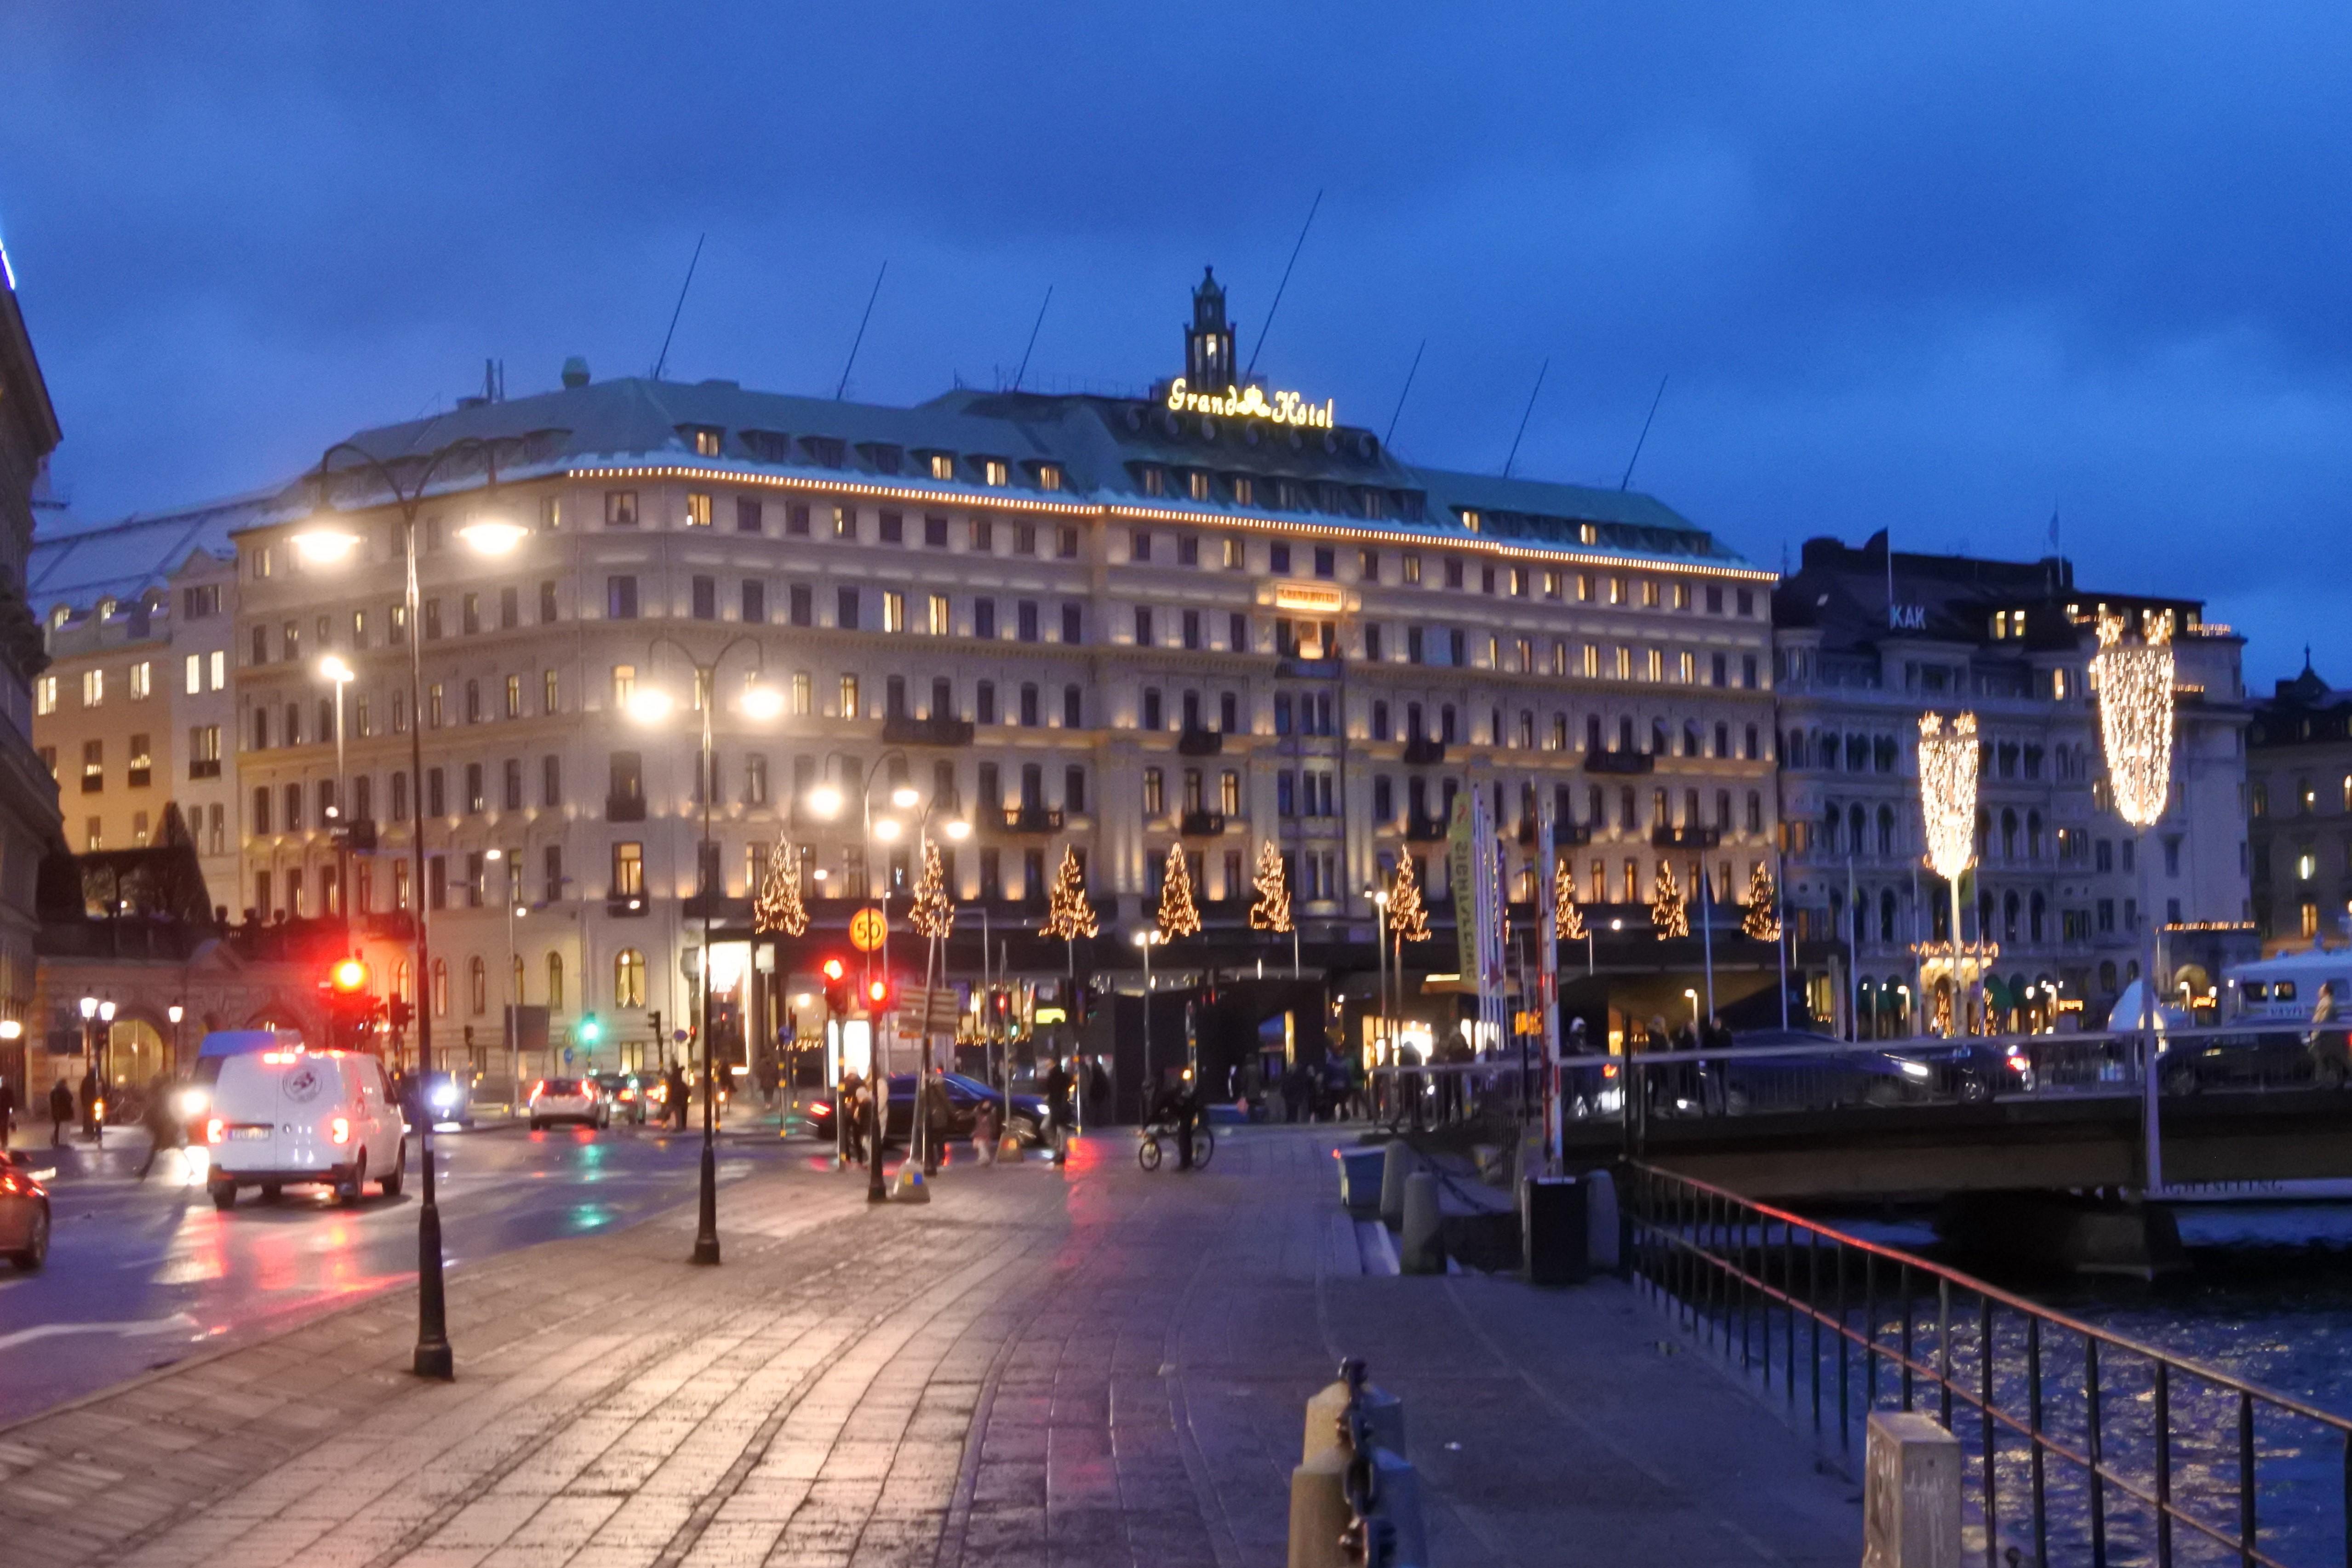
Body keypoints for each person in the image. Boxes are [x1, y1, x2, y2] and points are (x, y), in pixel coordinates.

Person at [136, 1072, 181, 1180]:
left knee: (156, 1148)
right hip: (165, 1124)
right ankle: (144, 1171)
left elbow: (162, 1108)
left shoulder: (164, 1092)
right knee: (175, 1146)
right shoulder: (169, 1091)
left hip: (163, 1124)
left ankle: (145, 1171)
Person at [1043, 1056, 1073, 1165]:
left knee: (1060, 1129)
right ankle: (1059, 1150)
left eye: (1049, 1064)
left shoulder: (1055, 1076)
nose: (1047, 1066)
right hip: (1056, 1106)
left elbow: (1054, 1090)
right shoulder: (1061, 1076)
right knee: (1053, 1128)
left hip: (1059, 1106)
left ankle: (1061, 1153)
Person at [48, 1076, 72, 1147]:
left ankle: (57, 1140)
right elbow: (70, 1099)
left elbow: (52, 1101)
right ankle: (63, 1142)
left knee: (58, 1127)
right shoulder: (65, 1090)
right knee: (65, 1127)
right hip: (65, 1112)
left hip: (56, 1112)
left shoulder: (54, 1090)